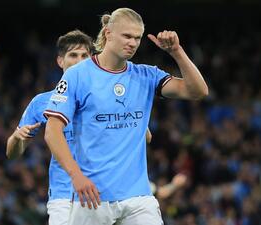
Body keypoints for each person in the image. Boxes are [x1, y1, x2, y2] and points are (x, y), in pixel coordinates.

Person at [44, 7, 208, 225]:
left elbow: (198, 91)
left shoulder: (146, 75)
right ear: (108, 33)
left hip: (138, 197)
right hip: (92, 196)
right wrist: (76, 176)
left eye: (137, 38)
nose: (132, 42)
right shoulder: (77, 75)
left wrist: (176, 52)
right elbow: (52, 131)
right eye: (127, 36)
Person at [6, 29, 94, 225]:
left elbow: (144, 136)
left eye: (84, 56)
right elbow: (11, 153)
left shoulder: (104, 97)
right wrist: (17, 139)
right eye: (73, 55)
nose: (79, 61)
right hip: (63, 197)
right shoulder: (42, 102)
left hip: (102, 195)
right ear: (60, 61)